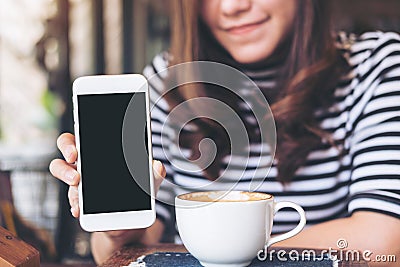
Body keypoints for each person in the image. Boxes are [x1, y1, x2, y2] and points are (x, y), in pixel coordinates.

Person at [50, 0, 400, 265]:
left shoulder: (378, 66)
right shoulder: (166, 80)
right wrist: (117, 226)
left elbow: (385, 242)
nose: (233, 7)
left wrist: (229, 253)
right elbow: (120, 251)